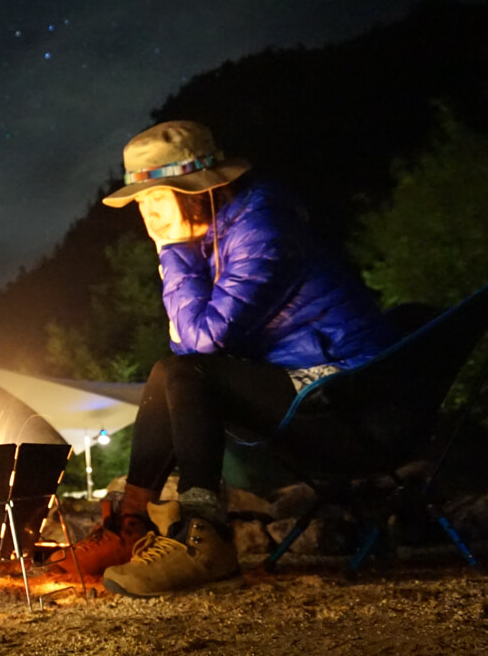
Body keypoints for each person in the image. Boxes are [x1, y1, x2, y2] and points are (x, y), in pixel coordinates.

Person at [61, 120, 397, 597]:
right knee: (169, 373)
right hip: (313, 388)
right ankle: (130, 525)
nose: (149, 217)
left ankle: (207, 539)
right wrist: (182, 252)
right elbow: (186, 351)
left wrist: (173, 252)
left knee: (186, 370)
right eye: (141, 203)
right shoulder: (215, 238)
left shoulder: (261, 230)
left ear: (201, 190)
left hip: (354, 398)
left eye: (158, 198)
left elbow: (199, 345)